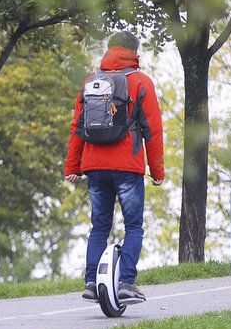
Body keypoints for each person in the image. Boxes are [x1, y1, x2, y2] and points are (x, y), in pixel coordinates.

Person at [65, 31, 165, 302]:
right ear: (135, 53)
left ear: (109, 50)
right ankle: (126, 284)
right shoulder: (141, 82)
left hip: (94, 166)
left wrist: (72, 166)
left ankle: (90, 282)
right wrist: (157, 171)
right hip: (127, 166)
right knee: (133, 226)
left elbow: (78, 127)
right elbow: (152, 130)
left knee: (99, 226)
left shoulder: (90, 81)